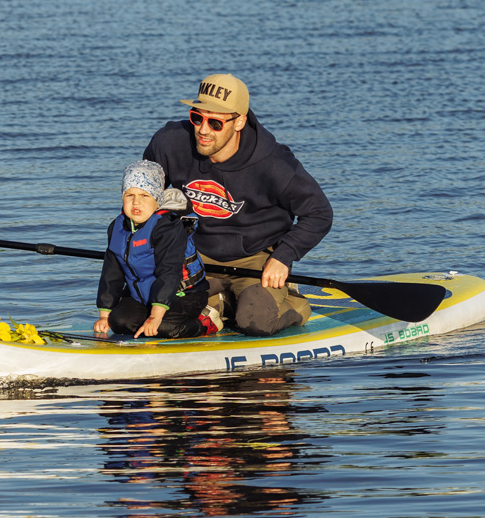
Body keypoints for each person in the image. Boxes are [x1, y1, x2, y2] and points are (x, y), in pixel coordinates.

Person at [143, 73, 333, 337]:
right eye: (197, 117)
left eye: (215, 122)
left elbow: (319, 214)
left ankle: (294, 303)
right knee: (155, 309)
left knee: (254, 322)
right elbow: (146, 196)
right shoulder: (168, 143)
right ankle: (222, 303)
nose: (203, 129)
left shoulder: (275, 164)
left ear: (240, 121)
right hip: (196, 257)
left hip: (256, 260)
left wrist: (283, 256)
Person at [94, 161, 221, 339]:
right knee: (120, 322)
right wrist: (104, 315)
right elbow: (111, 272)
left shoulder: (167, 228)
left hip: (183, 294)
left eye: (145, 195)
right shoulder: (116, 227)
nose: (136, 202)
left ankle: (205, 322)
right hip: (142, 295)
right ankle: (153, 316)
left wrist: (155, 316)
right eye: (129, 195)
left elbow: (169, 273)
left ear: (157, 200)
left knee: (164, 328)